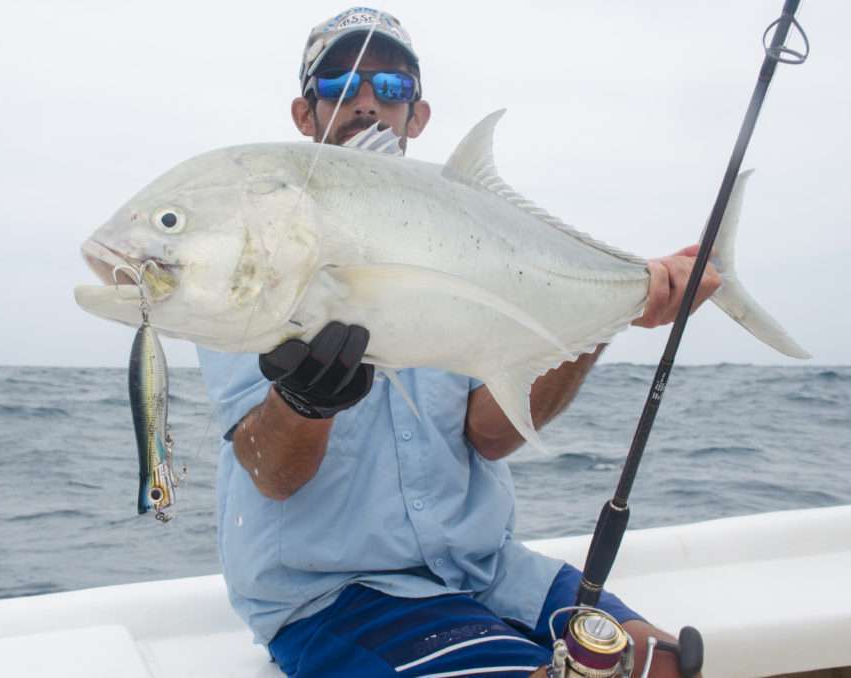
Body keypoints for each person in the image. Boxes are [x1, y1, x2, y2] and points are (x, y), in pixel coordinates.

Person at [197, 7, 718, 677]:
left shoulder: (471, 238)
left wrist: (609, 314)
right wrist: (304, 401)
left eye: (391, 89)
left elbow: (492, 436)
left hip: (490, 568)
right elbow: (272, 473)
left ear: (419, 115)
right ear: (304, 112)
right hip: (337, 596)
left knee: (664, 666)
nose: (365, 103)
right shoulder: (263, 253)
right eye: (338, 85)